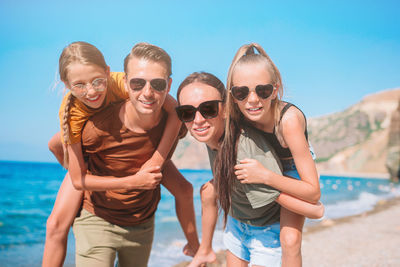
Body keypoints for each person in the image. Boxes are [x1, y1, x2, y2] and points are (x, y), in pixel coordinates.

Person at [42, 42, 199, 267]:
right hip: (86, 161)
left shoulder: (129, 85)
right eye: (80, 85)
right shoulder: (73, 115)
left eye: (97, 81)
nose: (91, 91)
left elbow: (175, 112)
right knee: (56, 225)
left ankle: (197, 249)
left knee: (184, 189)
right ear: (67, 85)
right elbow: (57, 149)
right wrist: (82, 169)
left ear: (107, 72)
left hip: (136, 159)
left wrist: (156, 159)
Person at [175, 72, 323, 267]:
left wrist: (316, 209)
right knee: (208, 190)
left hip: (265, 231)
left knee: (291, 241)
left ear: (226, 109)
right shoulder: (212, 134)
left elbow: (314, 209)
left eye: (208, 109)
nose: (198, 119)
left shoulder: (244, 152)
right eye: (187, 112)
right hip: (238, 223)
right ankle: (205, 251)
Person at [225, 43, 321, 266]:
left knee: (290, 240)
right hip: (261, 166)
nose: (252, 100)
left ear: (275, 89)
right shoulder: (238, 113)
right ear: (233, 94)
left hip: (291, 169)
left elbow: (313, 192)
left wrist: (265, 176)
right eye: (241, 92)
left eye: (263, 90)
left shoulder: (288, 121)